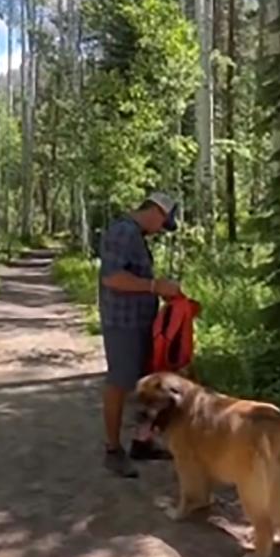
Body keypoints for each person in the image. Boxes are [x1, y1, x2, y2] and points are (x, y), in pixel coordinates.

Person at [99, 191, 181, 477]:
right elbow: (112, 277)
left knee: (145, 385)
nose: (160, 230)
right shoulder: (123, 232)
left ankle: (141, 442)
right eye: (163, 223)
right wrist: (154, 287)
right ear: (156, 211)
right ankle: (112, 450)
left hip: (140, 322)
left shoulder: (136, 236)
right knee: (120, 383)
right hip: (123, 323)